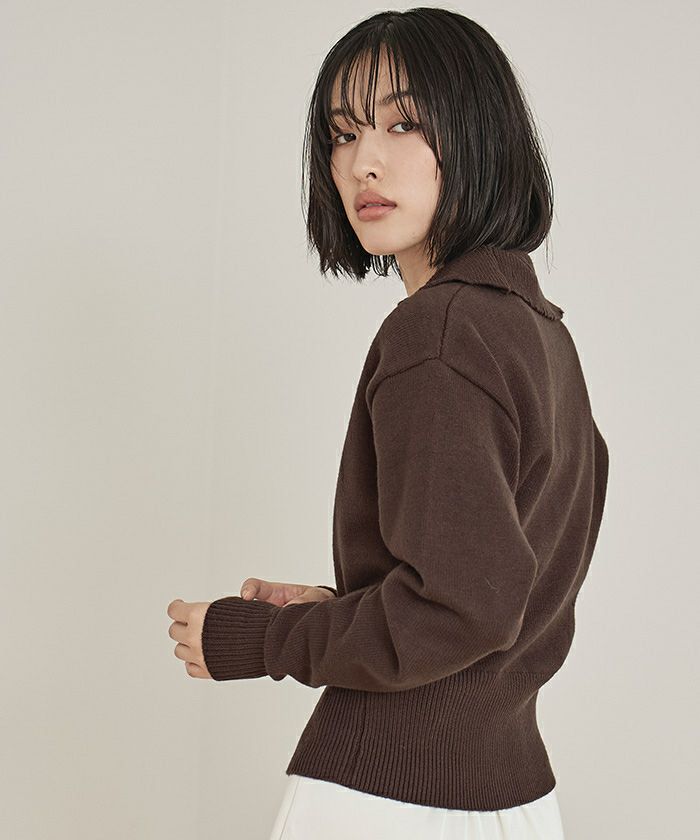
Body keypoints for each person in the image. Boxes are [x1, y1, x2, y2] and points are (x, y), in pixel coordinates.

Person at [194, 8, 609, 838]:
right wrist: (342, 605)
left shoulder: (440, 332)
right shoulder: (539, 334)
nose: (364, 162)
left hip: (391, 798)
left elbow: (461, 608)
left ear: (480, 133)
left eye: (403, 123)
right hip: (515, 798)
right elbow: (490, 589)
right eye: (343, 134)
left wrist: (268, 638)